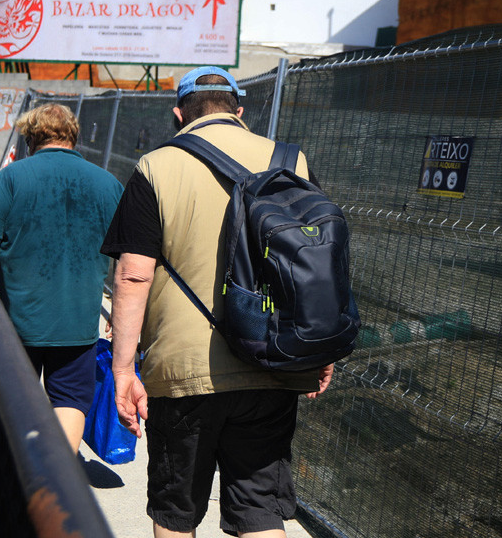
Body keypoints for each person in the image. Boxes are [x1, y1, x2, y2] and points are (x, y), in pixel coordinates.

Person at [100, 67, 333, 538]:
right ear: (239, 111)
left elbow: (134, 273)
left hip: (184, 373)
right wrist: (320, 350)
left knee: (175, 510)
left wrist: (124, 369)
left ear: (178, 113)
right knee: (260, 510)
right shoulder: (293, 161)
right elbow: (319, 267)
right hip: (273, 362)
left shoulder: (156, 166)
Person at [0, 103, 123, 453]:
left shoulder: (12, 177)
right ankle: (58, 476)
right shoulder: (108, 184)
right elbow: (127, 260)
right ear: (74, 137)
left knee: (15, 397)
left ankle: (16, 466)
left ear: (30, 138)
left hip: (17, 322)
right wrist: (120, 310)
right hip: (78, 323)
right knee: (70, 399)